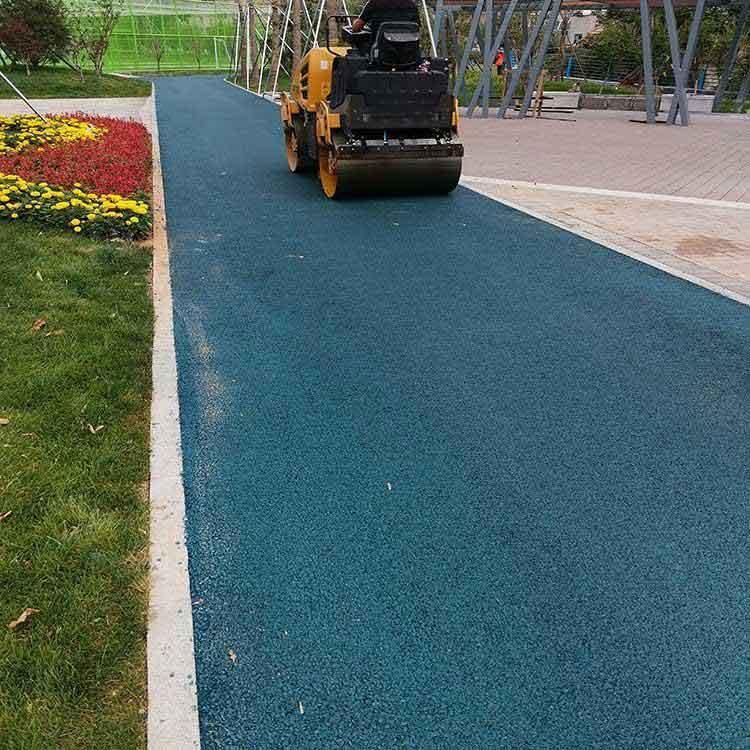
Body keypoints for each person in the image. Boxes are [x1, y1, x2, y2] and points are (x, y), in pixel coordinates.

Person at [351, 0, 420, 41]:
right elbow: (416, 29)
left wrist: (355, 22)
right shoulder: (412, 5)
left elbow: (355, 28)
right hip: (408, 54)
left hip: (381, 53)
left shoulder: (374, 3)